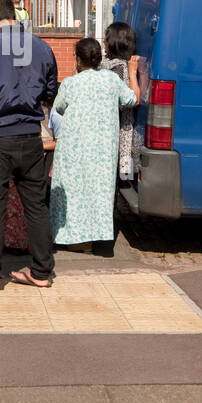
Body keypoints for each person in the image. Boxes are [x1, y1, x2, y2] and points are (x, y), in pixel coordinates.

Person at [0, 0, 59, 294]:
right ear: (14, 15)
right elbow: (51, 90)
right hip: (30, 136)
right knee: (36, 206)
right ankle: (42, 271)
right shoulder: (42, 47)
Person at [49, 38, 141, 251]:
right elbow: (133, 99)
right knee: (98, 190)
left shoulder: (72, 83)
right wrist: (133, 72)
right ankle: (96, 237)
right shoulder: (111, 80)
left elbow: (59, 108)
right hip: (102, 147)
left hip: (74, 144)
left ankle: (72, 237)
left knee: (72, 189)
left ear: (78, 60)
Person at [102, 22, 139, 182]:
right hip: (120, 127)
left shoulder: (106, 64)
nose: (104, 42)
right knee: (124, 176)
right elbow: (127, 101)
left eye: (106, 38)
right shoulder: (120, 67)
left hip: (110, 128)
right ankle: (124, 191)